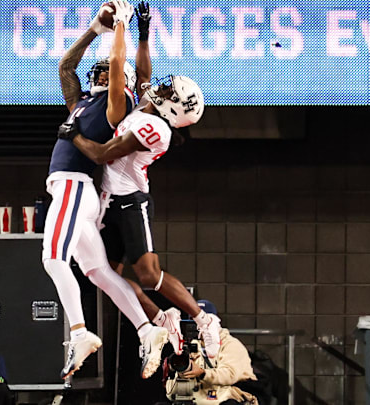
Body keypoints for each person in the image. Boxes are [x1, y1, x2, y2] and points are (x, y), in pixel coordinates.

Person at [57, 3, 221, 359]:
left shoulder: (155, 128)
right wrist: (144, 33)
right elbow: (144, 75)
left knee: (148, 274)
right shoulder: (148, 106)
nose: (158, 89)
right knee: (106, 274)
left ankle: (203, 318)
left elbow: (103, 155)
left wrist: (73, 137)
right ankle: (160, 317)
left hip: (130, 201)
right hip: (109, 199)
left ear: (173, 110)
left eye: (167, 93)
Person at [43, 0, 168, 380]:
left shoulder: (119, 106)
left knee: (52, 259)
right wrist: (96, 28)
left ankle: (79, 333)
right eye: (95, 71)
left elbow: (118, 67)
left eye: (106, 72)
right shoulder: (81, 103)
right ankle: (148, 330)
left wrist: (121, 29)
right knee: (98, 272)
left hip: (73, 186)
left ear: (124, 84)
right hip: (75, 192)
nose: (99, 74)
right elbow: (66, 66)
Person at [165, 301, 258, 405]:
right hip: (198, 399)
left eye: (202, 322)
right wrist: (180, 370)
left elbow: (230, 375)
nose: (198, 326)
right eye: (194, 322)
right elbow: (171, 394)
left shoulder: (231, 344)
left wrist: (202, 373)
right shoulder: (192, 346)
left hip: (229, 398)